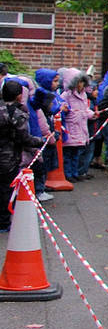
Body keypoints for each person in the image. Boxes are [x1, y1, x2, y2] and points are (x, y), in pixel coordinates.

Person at [0, 79, 44, 233]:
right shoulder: (18, 114)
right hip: (8, 157)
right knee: (6, 189)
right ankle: (4, 222)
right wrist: (42, 141)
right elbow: (24, 138)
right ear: (19, 96)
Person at [28, 68, 61, 200]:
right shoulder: (41, 99)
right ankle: (39, 190)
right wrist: (50, 135)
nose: (57, 84)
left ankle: (40, 188)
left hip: (44, 135)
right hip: (43, 137)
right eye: (55, 81)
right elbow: (43, 121)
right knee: (41, 165)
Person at [60, 71, 93, 181]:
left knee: (76, 154)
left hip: (80, 127)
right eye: (79, 82)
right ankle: (68, 174)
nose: (81, 85)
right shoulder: (66, 95)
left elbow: (85, 109)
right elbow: (61, 107)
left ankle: (75, 173)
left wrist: (92, 114)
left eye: (82, 82)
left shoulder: (83, 95)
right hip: (70, 127)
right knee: (68, 154)